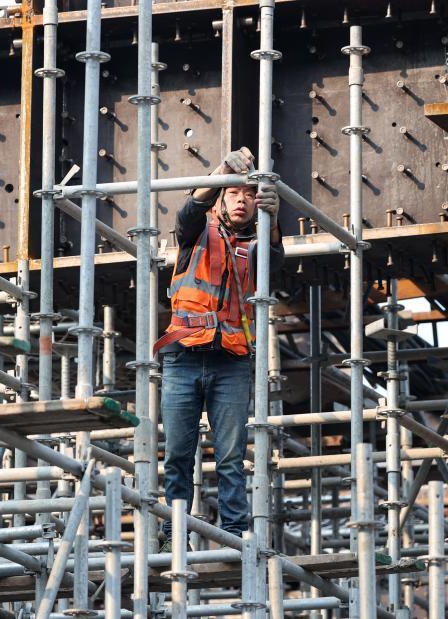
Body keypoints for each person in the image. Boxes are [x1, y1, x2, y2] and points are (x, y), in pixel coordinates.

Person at [153, 146, 285, 551]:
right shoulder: (198, 232)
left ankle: (232, 534)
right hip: (183, 356)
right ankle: (174, 530)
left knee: (230, 457)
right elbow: (187, 213)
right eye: (234, 193)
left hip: (230, 360)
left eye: (248, 194)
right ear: (221, 198)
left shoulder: (255, 246)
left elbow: (274, 268)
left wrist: (274, 221)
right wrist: (221, 171)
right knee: (178, 452)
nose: (242, 200)